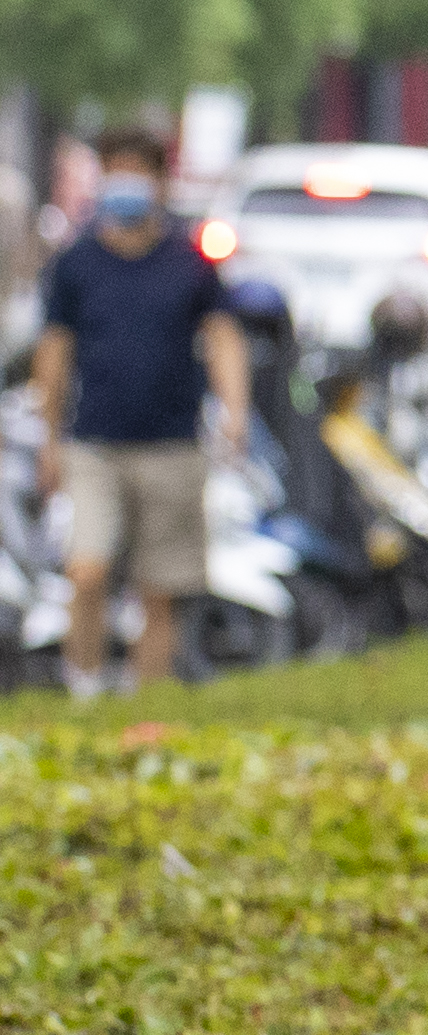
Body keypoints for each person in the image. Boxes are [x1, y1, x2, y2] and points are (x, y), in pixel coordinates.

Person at [29, 132, 245, 696]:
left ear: (160, 183)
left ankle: (143, 704)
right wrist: (46, 440)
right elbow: (53, 355)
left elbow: (223, 337)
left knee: (159, 587)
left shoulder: (189, 263)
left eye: (136, 173)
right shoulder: (76, 264)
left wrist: (235, 411)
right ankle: (84, 688)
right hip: (93, 442)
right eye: (114, 171)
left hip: (172, 442)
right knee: (87, 570)